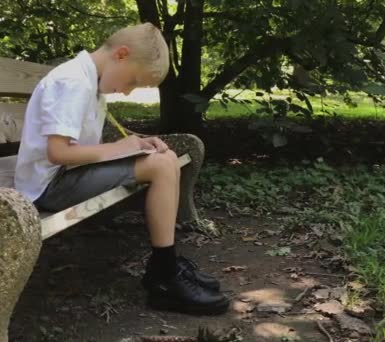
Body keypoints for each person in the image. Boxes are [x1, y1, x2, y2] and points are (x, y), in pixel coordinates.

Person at [14, 22, 230, 315]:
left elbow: (82, 148)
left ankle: (166, 266)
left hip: (65, 176)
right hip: (47, 187)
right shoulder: (72, 82)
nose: (127, 93)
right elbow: (58, 152)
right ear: (121, 55)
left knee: (164, 159)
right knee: (160, 167)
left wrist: (137, 142)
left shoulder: (88, 81)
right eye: (132, 82)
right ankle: (164, 276)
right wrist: (122, 149)